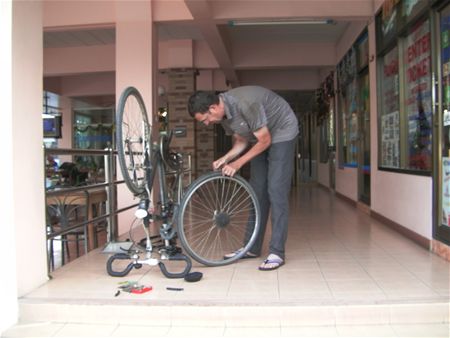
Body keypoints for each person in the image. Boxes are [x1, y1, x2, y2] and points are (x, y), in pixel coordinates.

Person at [188, 86, 298, 271]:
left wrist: (237, 164)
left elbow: (266, 140)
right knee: (257, 192)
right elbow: (241, 140)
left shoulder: (245, 104)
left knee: (275, 190)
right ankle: (251, 248)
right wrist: (226, 158)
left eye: (205, 119)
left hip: (282, 130)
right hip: (260, 135)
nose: (207, 123)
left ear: (213, 108)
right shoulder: (223, 117)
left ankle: (277, 252)